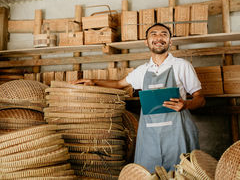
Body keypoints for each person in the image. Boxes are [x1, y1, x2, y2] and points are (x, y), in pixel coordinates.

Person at [73, 23, 205, 173]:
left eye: (164, 34)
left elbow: (200, 99)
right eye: (153, 34)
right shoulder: (142, 71)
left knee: (181, 173)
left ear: (170, 41)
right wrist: (93, 82)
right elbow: (118, 84)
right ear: (146, 42)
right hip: (150, 136)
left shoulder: (182, 66)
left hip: (177, 134)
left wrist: (186, 104)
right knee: (148, 174)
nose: (158, 38)